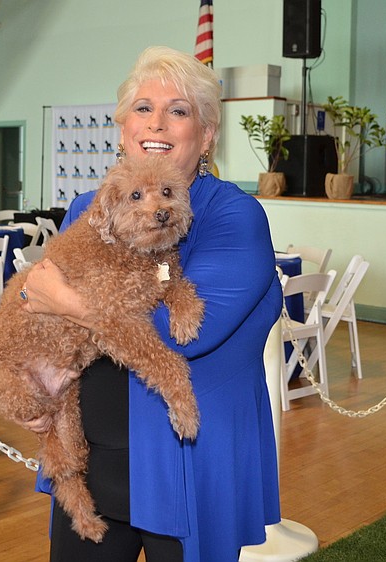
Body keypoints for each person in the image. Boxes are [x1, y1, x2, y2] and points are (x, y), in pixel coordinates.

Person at [20, 46, 282, 562]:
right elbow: (39, 313)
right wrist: (38, 382)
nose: (156, 122)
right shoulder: (87, 208)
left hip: (187, 463)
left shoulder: (234, 217)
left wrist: (63, 299)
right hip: (90, 458)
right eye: (142, 107)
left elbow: (182, 331)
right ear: (123, 129)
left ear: (205, 135)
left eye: (178, 110)